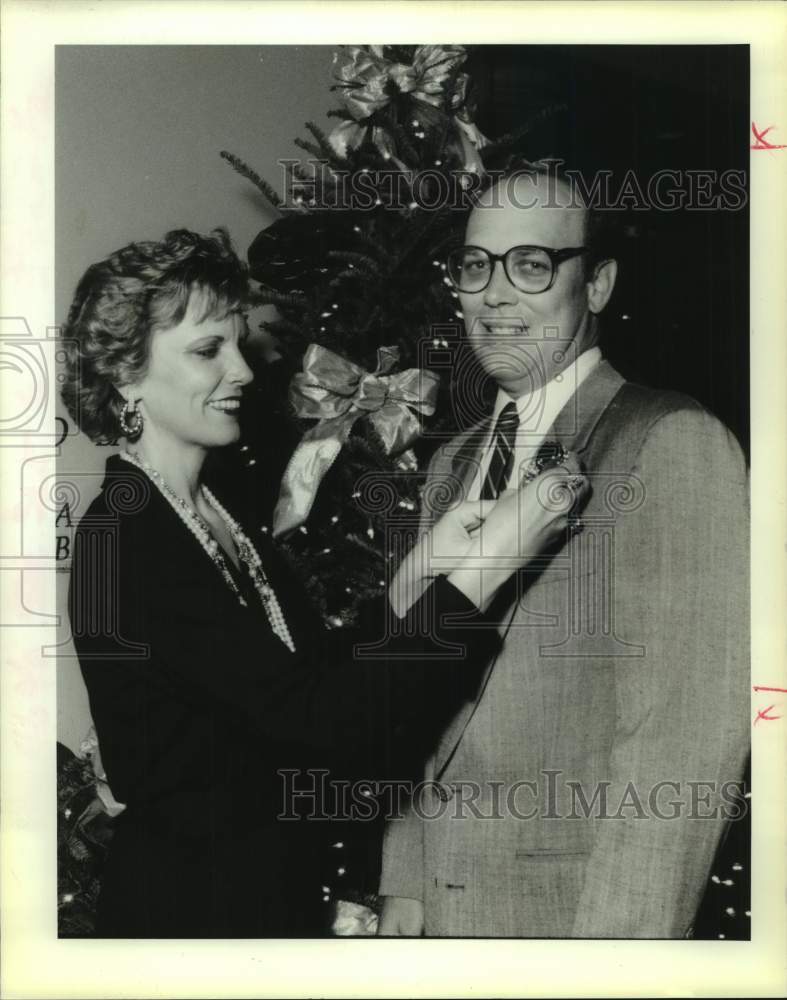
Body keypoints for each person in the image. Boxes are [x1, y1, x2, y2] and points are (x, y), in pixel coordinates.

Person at [61, 227, 584, 938]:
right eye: (208, 349)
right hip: (192, 920)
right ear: (125, 373)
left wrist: (415, 578)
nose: (243, 371)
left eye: (238, 343)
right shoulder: (128, 536)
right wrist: (482, 571)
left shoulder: (209, 512)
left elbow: (305, 682)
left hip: (253, 902)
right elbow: (329, 729)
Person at [378, 163, 749, 938]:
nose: (493, 294)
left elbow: (679, 751)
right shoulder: (452, 467)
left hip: (568, 926)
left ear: (599, 284)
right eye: (475, 265)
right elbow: (419, 705)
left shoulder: (670, 443)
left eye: (531, 263)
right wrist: (403, 885)